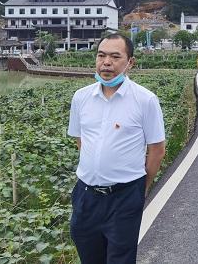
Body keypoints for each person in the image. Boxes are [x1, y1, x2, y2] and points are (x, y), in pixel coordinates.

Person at [68, 33, 166, 264]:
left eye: (115, 56)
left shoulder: (145, 100)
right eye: (101, 55)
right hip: (86, 195)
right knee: (89, 257)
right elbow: (80, 140)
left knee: (120, 259)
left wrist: (143, 186)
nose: (106, 62)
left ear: (130, 62)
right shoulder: (81, 98)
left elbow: (157, 149)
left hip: (124, 196)